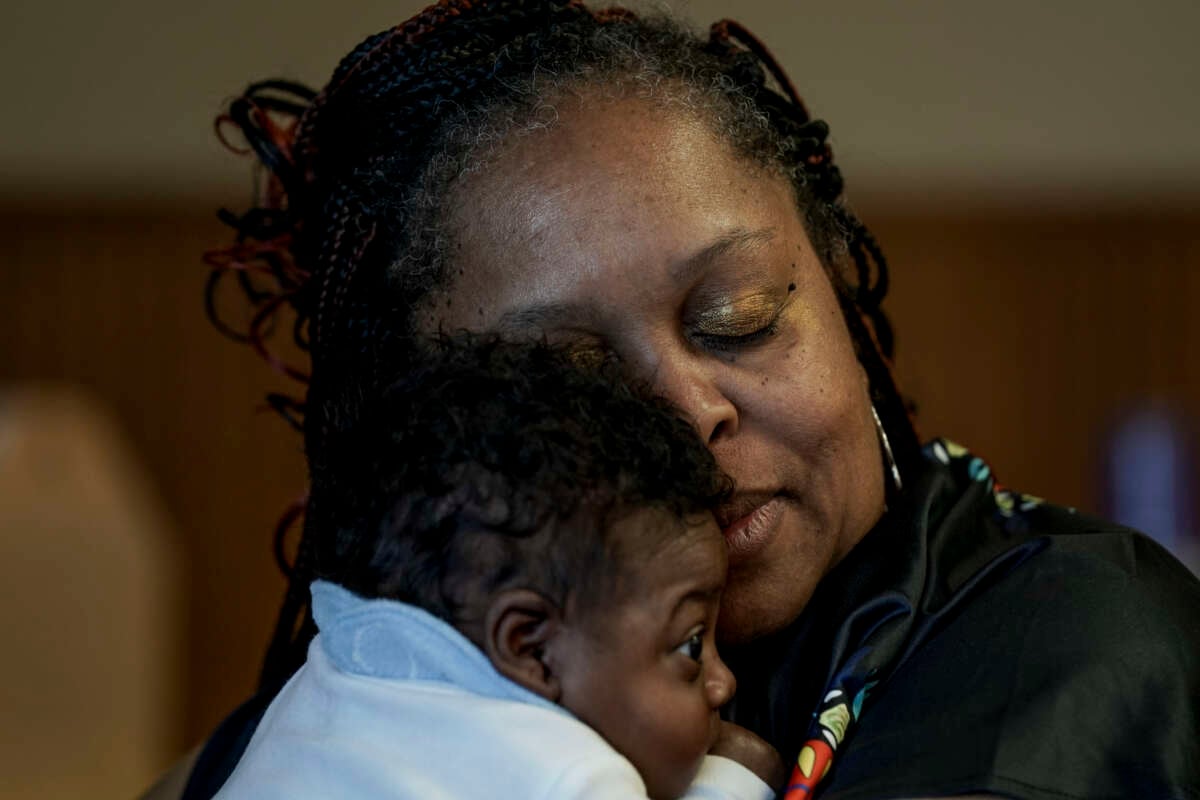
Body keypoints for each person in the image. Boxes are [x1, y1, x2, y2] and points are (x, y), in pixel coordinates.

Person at [184, 1, 1200, 798]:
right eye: (575, 385)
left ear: (839, 285)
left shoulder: (1062, 629)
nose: (684, 413)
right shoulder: (368, 702)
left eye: (738, 315)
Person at [213, 338, 781, 800]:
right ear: (530, 647)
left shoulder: (317, 692)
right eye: (688, 646)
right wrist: (734, 780)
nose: (722, 682)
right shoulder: (564, 776)